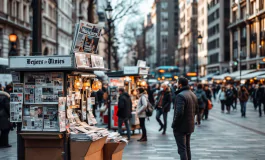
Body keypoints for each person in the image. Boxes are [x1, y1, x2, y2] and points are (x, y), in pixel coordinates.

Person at [172, 77, 198, 160]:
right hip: (190, 125)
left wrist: (174, 124)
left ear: (180, 84)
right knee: (187, 148)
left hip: (181, 126)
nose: (176, 84)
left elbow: (179, 112)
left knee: (182, 149)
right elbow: (196, 110)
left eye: (177, 82)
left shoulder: (180, 95)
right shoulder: (192, 94)